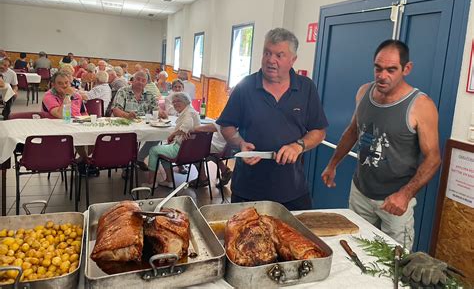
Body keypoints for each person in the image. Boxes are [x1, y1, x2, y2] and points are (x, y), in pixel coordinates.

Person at [321, 39, 441, 250]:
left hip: (395, 203)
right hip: (360, 193)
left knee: (393, 263)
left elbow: (433, 158)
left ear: (407, 68)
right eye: (378, 68)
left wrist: (405, 194)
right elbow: (353, 131)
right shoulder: (364, 92)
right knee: (354, 251)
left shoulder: (421, 105)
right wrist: (333, 164)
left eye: (391, 70)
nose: (382, 76)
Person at [217, 28, 328, 211]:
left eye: (279, 55)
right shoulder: (245, 87)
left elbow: (319, 131)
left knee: (295, 238)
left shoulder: (306, 88)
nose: (270, 60)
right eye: (267, 53)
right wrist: (240, 143)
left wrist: (298, 146)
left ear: (293, 60)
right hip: (248, 189)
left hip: (292, 190)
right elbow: (227, 125)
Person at [145, 92, 200, 188]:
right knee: (163, 150)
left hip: (182, 150)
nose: (175, 104)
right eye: (173, 102)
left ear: (186, 101)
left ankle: (151, 182)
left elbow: (185, 127)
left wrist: (172, 135)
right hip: (192, 149)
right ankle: (169, 181)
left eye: (178, 101)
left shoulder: (188, 113)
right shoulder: (190, 111)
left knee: (153, 150)